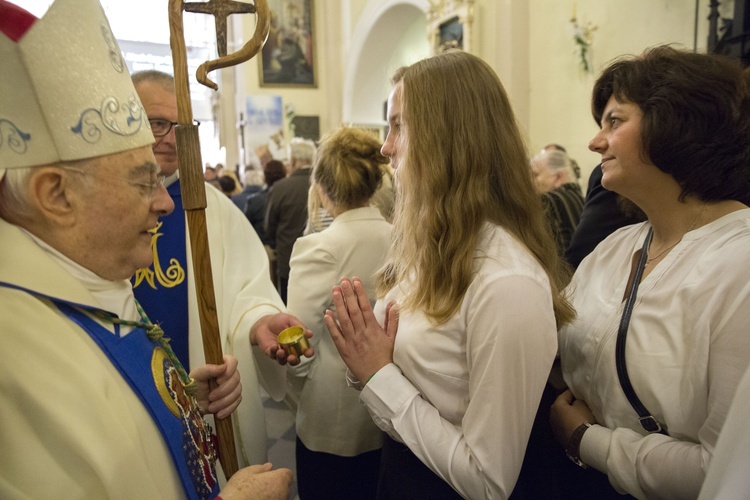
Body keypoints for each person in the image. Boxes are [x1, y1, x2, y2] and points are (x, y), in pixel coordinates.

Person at [0, 0, 291, 497]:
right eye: (141, 183)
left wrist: (179, 402)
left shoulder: (86, 278)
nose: (164, 204)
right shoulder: (16, 349)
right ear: (55, 195)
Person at [324, 51, 575, 499]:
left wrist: (379, 375)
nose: (385, 147)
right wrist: (369, 362)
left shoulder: (506, 282)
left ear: (448, 138)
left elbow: (488, 480)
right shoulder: (438, 250)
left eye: (398, 125)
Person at [550, 46, 750, 499]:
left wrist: (588, 441)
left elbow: (719, 469)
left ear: (675, 125)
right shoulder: (615, 248)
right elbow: (556, 351)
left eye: (614, 122)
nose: (595, 142)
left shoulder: (740, 265)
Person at [130, 70, 312, 469]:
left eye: (182, 127)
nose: (169, 137)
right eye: (157, 122)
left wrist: (258, 321)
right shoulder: (101, 205)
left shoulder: (215, 209)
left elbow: (247, 288)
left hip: (206, 398)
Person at [286, 126, 393, 499]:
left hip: (332, 410)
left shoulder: (320, 247)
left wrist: (302, 387)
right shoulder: (399, 235)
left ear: (323, 186)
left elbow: (297, 340)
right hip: (391, 402)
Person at [264, 137, 316, 303]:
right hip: (320, 258)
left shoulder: (280, 187)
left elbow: (269, 226)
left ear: (292, 160)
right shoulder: (325, 184)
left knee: (290, 307)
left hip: (289, 259)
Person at [530, 148, 585, 256]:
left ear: (558, 177)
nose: (530, 181)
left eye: (535, 175)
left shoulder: (548, 201)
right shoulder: (582, 198)